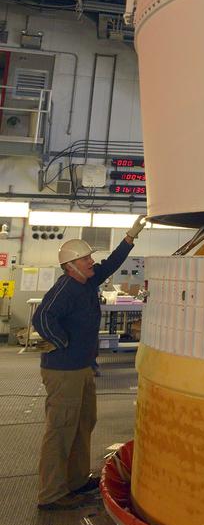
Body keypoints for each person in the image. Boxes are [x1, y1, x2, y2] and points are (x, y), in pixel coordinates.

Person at [32, 216, 147, 509]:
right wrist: (62, 342)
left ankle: (77, 480)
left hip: (81, 368)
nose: (90, 262)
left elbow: (110, 264)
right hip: (63, 371)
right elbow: (42, 318)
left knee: (83, 423)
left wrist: (130, 237)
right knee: (61, 428)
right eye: (85, 259)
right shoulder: (65, 289)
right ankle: (52, 493)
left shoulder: (87, 281)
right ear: (70, 266)